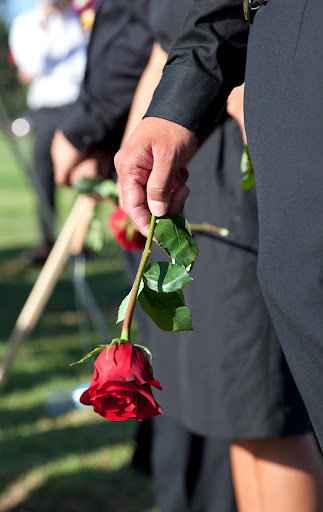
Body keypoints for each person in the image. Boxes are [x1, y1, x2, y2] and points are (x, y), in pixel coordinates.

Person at [120, 1, 323, 510]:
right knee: (237, 413)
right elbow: (171, 43)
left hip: (248, 168)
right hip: (203, 171)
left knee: (264, 410)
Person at [51, 2, 239, 511]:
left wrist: (84, 129)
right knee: (200, 387)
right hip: (177, 134)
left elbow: (148, 36)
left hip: (208, 144)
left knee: (233, 396)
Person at [9, 0, 88, 263]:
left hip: (80, 105)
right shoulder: (26, 24)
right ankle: (47, 242)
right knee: (43, 175)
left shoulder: (81, 18)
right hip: (47, 110)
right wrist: (44, 22)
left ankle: (82, 241)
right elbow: (30, 69)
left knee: (86, 174)